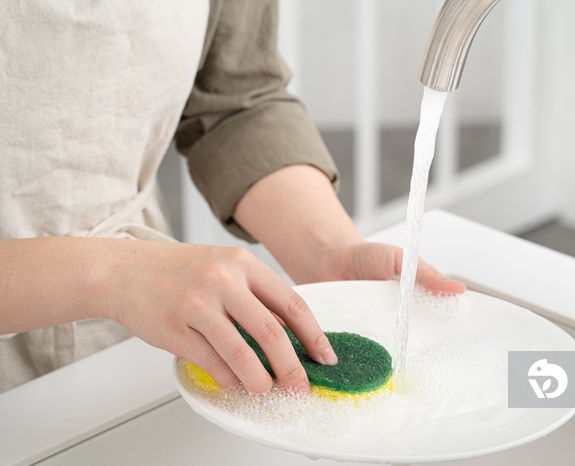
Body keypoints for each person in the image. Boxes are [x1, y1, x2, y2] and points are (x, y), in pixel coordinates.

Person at [0, 0, 465, 395]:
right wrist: (111, 273)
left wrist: (326, 250)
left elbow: (235, 96)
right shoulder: (121, 275)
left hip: (139, 328)